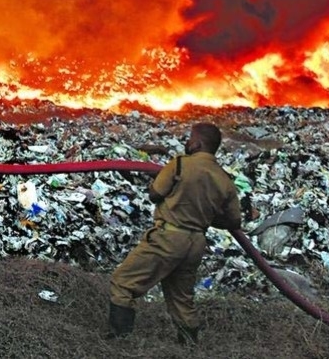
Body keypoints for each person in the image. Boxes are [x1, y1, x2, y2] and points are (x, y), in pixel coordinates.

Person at [107, 122, 251, 344]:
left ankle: (119, 341)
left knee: (123, 282)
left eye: (190, 138)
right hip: (196, 243)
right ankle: (190, 347)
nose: (187, 141)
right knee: (182, 298)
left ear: (197, 143)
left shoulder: (181, 165)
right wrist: (203, 213)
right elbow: (233, 221)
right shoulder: (225, 180)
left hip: (168, 237)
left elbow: (155, 194)